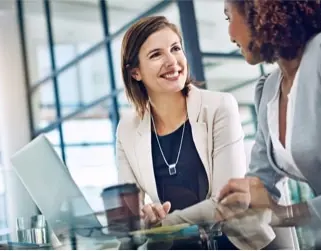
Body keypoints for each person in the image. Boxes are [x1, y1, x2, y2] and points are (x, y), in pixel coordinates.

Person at [116, 15, 275, 250]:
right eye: (156, 54)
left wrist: (165, 224)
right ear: (135, 73)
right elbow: (130, 214)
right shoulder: (127, 129)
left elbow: (227, 203)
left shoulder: (220, 106)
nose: (172, 61)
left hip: (234, 242)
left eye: (175, 48)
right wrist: (145, 217)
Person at [219, 0, 321, 249]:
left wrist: (284, 213)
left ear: (256, 10)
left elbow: (274, 210)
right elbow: (260, 185)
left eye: (229, 18)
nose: (229, 35)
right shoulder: (269, 90)